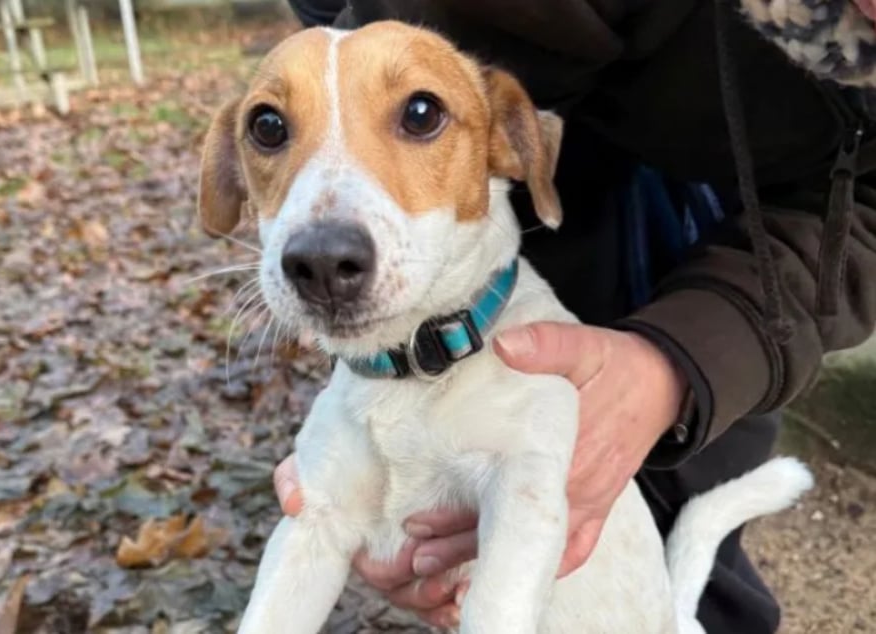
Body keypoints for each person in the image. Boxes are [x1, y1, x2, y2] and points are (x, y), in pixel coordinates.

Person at [269, 1, 876, 632]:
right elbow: (351, 83)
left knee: (688, 496)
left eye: (419, 116)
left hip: (728, 231)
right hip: (512, 183)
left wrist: (680, 363)